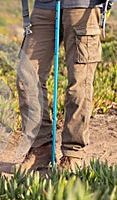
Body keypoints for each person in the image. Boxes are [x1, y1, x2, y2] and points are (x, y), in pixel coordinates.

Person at [15, 0, 111, 171]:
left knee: (79, 85)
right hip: (44, 6)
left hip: (83, 7)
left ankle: (73, 153)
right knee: (26, 77)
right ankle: (41, 148)